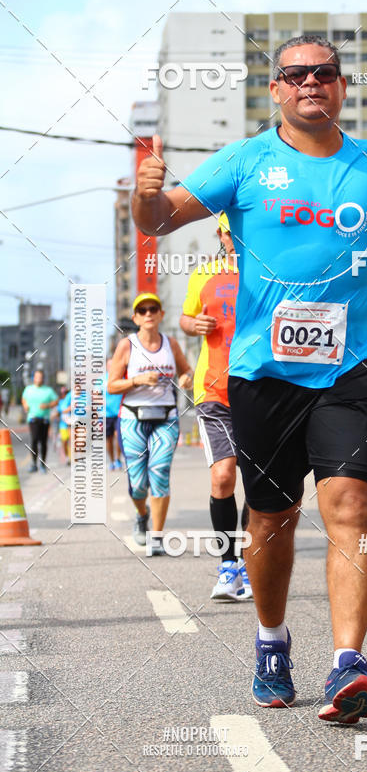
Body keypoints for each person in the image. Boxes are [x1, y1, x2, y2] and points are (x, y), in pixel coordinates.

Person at [132, 35, 367, 722]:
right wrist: (147, 198)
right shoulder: (244, 161)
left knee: (351, 509)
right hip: (263, 373)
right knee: (272, 518)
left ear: (342, 86)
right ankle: (271, 644)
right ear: (277, 91)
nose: (310, 84)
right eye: (295, 75)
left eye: (323, 73)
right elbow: (162, 217)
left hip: (351, 368)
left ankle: (347, 665)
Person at [179, 211, 252, 601]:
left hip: (261, 389)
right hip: (214, 390)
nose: (234, 236)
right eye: (229, 230)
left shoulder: (270, 270)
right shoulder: (203, 273)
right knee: (224, 476)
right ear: (222, 234)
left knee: (259, 487)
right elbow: (186, 318)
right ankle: (228, 566)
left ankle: (250, 565)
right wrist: (196, 326)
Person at [107, 293, 193, 556]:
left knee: (160, 472)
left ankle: (156, 536)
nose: (148, 313)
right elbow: (111, 385)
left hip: (165, 418)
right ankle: (141, 514)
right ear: (135, 317)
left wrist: (187, 378)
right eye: (142, 310)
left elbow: (185, 370)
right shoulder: (127, 346)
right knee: (138, 482)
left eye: (153, 308)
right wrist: (138, 380)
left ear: (161, 314)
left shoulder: (171, 343)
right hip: (132, 418)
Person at [21, 370, 58, 473]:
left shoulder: (48, 390)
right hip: (33, 418)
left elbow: (56, 401)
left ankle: (43, 464)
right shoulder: (28, 389)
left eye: (41, 377)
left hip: (45, 419)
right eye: (37, 377)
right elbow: (23, 399)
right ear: (34, 378)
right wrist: (25, 405)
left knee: (43, 442)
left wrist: (47, 405)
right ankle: (34, 464)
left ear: (43, 378)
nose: (39, 379)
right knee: (34, 440)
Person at [104, 360, 124, 470]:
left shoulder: (121, 378)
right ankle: (111, 460)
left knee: (119, 436)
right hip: (106, 414)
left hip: (120, 413)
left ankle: (118, 459)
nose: (111, 367)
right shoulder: (101, 380)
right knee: (109, 439)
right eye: (109, 365)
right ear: (106, 366)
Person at [57, 386, 72, 464]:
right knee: (65, 441)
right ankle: (67, 457)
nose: (65, 394)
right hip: (63, 425)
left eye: (66, 393)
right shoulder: (60, 402)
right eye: (63, 393)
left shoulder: (71, 400)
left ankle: (72, 457)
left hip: (72, 425)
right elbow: (60, 412)